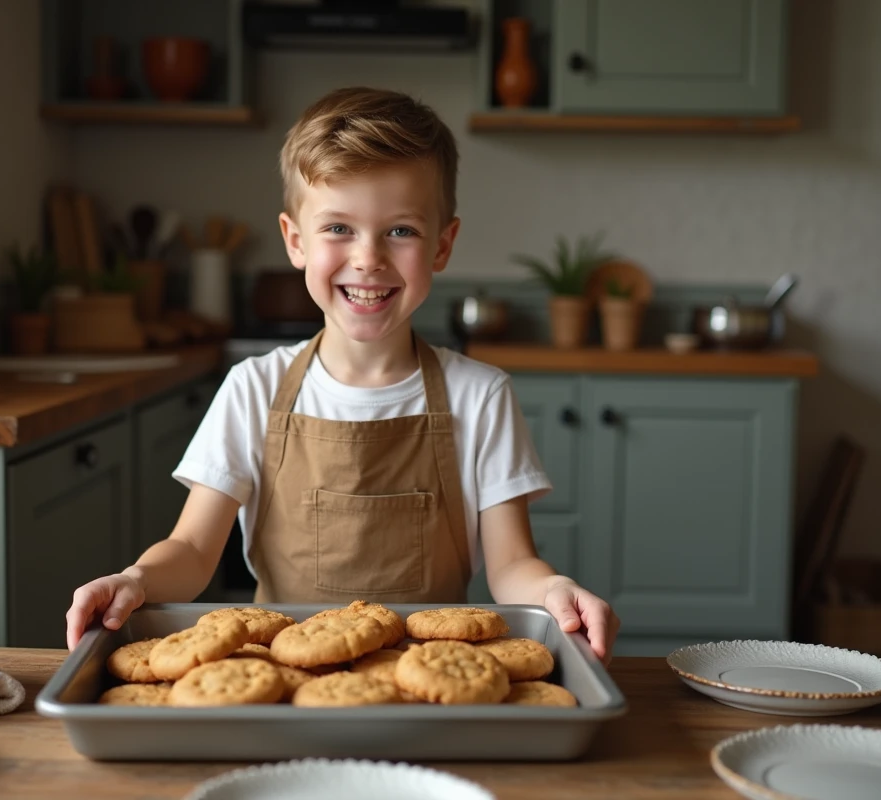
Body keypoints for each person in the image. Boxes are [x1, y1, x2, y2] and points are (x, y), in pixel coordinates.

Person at [65, 86, 620, 662]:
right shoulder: (253, 389)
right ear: (295, 241)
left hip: (422, 678)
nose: (368, 258)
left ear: (442, 245)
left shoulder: (480, 396)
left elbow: (512, 566)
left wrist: (554, 589)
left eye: (401, 230)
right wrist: (136, 579)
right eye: (338, 229)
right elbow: (191, 549)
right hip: (286, 676)